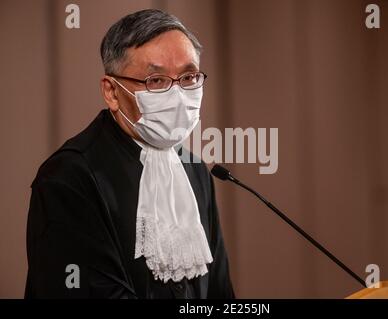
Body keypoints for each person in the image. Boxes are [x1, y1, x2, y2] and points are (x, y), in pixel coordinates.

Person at [25, 9, 234, 299]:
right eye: (156, 81)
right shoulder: (69, 177)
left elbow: (221, 294)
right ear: (111, 92)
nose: (178, 95)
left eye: (188, 77)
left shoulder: (194, 169)